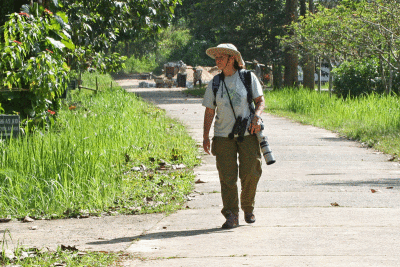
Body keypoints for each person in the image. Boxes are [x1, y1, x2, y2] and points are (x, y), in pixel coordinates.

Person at [202, 43, 265, 229]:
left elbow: (260, 101)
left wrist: (257, 116)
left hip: (248, 134)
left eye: (222, 56)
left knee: (251, 172)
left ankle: (247, 207)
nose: (218, 60)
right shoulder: (214, 83)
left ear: (232, 59)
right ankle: (231, 214)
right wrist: (205, 136)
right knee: (227, 177)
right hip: (222, 136)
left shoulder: (247, 77)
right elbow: (209, 111)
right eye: (216, 57)